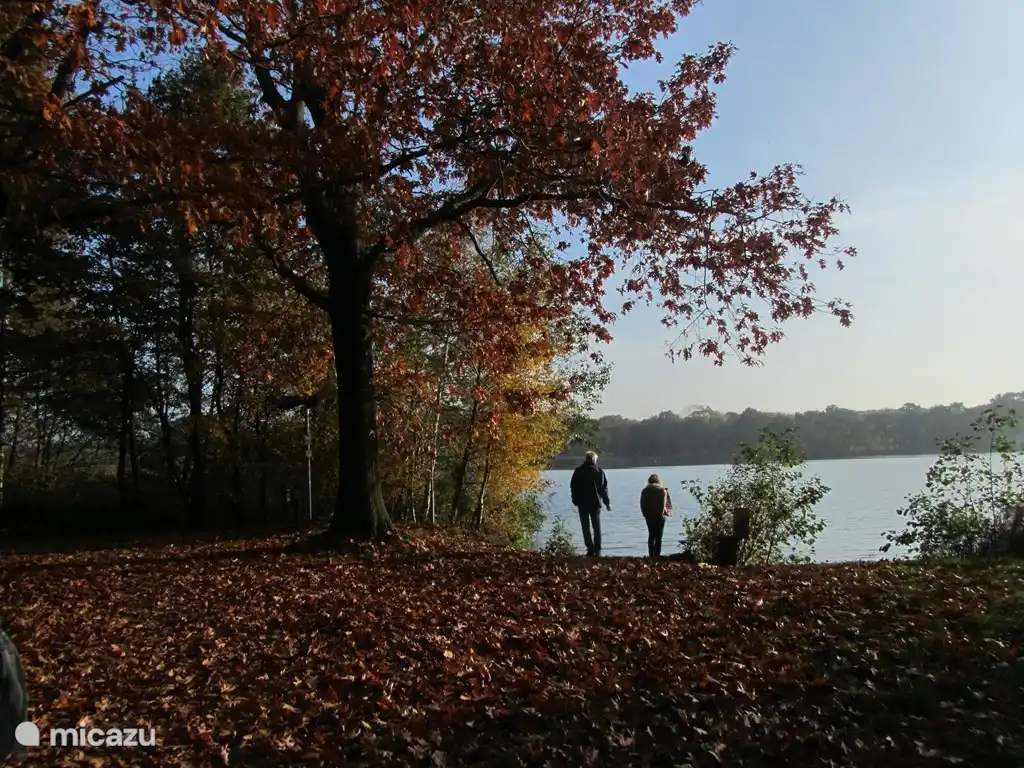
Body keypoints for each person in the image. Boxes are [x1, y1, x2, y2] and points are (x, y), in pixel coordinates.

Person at [569, 451, 610, 556]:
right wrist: (607, 502)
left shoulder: (578, 471)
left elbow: (573, 486)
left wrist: (575, 499)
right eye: (596, 459)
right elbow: (603, 489)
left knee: (585, 526)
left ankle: (590, 548)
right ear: (594, 459)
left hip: (582, 503)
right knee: (596, 526)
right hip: (595, 503)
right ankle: (598, 549)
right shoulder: (599, 471)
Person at [640, 473, 673, 559]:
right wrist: (662, 514)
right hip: (659, 516)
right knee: (658, 538)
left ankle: (651, 555)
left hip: (649, 516)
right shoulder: (662, 491)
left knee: (651, 535)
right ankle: (657, 556)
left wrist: (644, 513)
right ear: (659, 481)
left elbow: (642, 504)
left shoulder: (645, 490)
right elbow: (663, 505)